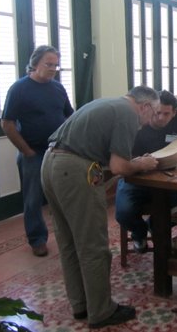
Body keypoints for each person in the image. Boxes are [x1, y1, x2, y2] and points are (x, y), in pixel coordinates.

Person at [41, 86, 159, 329]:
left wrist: (131, 162)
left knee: (69, 242)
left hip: (50, 163)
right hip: (74, 170)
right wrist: (142, 164)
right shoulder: (128, 113)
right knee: (93, 245)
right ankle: (102, 311)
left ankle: (81, 305)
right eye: (153, 113)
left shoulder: (109, 103)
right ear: (145, 106)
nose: (150, 121)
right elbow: (119, 167)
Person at [1, 45, 74, 257]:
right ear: (35, 64)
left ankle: (67, 233)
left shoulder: (58, 88)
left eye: (55, 65)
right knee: (33, 198)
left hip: (58, 150)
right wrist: (26, 150)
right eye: (48, 64)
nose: (52, 69)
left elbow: (70, 115)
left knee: (64, 195)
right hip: (33, 152)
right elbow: (7, 123)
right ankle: (37, 239)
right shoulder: (19, 89)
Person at [115, 90, 177, 253]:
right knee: (123, 212)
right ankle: (139, 233)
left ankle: (154, 225)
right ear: (150, 109)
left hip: (168, 179)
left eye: (166, 114)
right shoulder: (135, 123)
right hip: (137, 179)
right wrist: (139, 162)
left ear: (174, 113)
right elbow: (122, 159)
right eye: (157, 113)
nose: (160, 118)